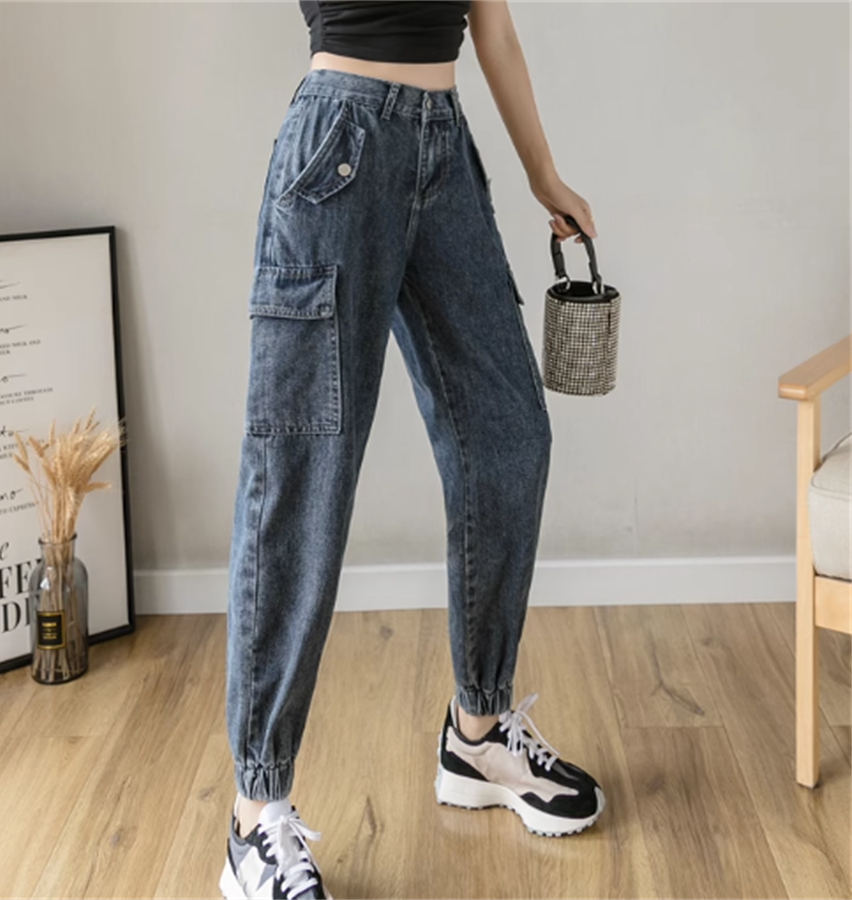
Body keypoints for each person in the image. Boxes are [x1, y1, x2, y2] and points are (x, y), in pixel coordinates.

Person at [221, 2, 605, 898]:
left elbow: (491, 24)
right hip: (338, 143)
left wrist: (544, 174)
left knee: (509, 433)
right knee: (302, 474)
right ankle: (253, 816)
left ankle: (477, 736)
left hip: (444, 149)